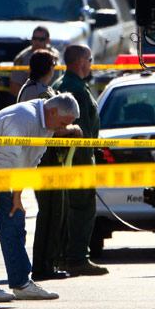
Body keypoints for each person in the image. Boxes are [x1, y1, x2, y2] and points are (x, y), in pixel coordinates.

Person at [0, 93, 82, 302]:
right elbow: (4, 158)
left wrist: (17, 196)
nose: (63, 128)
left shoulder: (47, 124)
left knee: (14, 222)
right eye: (63, 123)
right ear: (53, 111)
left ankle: (21, 283)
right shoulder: (24, 117)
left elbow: (29, 161)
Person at [53, 45, 109, 276]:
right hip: (78, 157)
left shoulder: (65, 85)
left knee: (71, 209)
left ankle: (67, 257)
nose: (92, 63)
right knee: (82, 208)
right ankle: (76, 258)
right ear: (79, 62)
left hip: (73, 157)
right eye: (90, 59)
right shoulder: (73, 88)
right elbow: (80, 129)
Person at [17, 50, 70, 280]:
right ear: (48, 67)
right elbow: (45, 125)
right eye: (53, 64)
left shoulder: (42, 89)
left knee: (54, 211)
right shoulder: (35, 92)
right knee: (49, 211)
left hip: (47, 157)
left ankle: (50, 263)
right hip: (42, 158)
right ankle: (42, 266)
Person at [9, 26, 62, 98]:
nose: (37, 42)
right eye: (34, 38)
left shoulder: (55, 56)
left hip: (53, 97)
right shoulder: (23, 58)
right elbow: (14, 87)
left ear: (48, 40)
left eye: (41, 39)